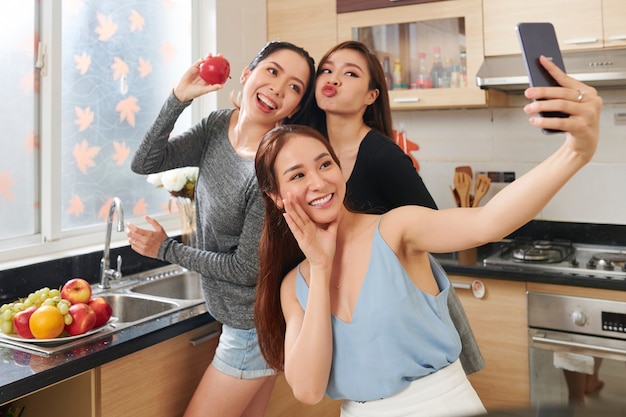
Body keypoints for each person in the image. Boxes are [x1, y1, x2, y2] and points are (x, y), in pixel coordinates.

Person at [254, 55, 601, 417]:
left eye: (325, 164)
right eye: (296, 176)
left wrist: (575, 153)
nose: (319, 181)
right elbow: (308, 390)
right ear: (276, 196)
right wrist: (321, 268)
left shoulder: (395, 229)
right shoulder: (295, 285)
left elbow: (488, 221)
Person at [126, 41, 315, 417]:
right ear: (247, 75)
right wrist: (178, 97)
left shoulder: (273, 165)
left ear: (294, 107)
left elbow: (246, 270)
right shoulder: (216, 126)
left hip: (253, 327)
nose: (278, 88)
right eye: (273, 71)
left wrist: (166, 249)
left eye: (294, 87)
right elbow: (146, 162)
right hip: (251, 323)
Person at [306, 40, 483, 375]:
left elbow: (431, 229)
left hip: (400, 302)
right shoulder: (308, 149)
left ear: (371, 96)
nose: (334, 79)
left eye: (350, 73)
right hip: (347, 300)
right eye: (327, 71)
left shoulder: (382, 156)